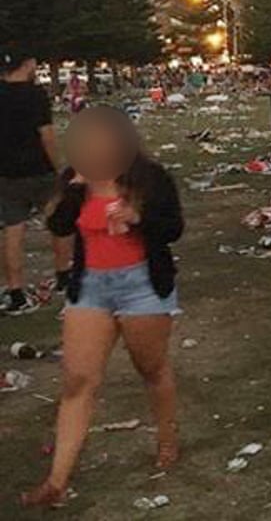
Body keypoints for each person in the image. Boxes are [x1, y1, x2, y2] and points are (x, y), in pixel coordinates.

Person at [21, 106, 184, 508]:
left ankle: (167, 438)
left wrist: (136, 216)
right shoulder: (76, 179)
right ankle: (56, 481)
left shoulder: (150, 178)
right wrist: (73, 190)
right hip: (91, 287)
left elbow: (173, 228)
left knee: (151, 369)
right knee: (77, 381)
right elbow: (58, 227)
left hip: (142, 285)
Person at [1, 51, 72, 312]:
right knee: (57, 221)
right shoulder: (35, 95)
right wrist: (59, 167)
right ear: (27, 64)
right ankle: (64, 274)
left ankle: (15, 290)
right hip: (40, 169)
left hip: (7, 173)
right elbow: (47, 135)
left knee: (13, 230)